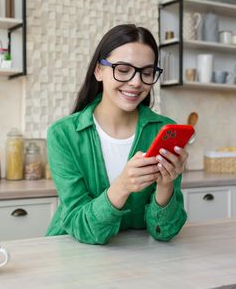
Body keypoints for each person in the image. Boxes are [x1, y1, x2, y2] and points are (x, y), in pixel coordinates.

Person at [46, 24, 188, 245]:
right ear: (99, 70)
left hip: (138, 261)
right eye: (123, 70)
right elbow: (79, 224)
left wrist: (166, 185)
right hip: (72, 253)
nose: (136, 82)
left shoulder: (163, 131)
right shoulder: (64, 134)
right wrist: (122, 186)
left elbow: (165, 231)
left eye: (147, 73)